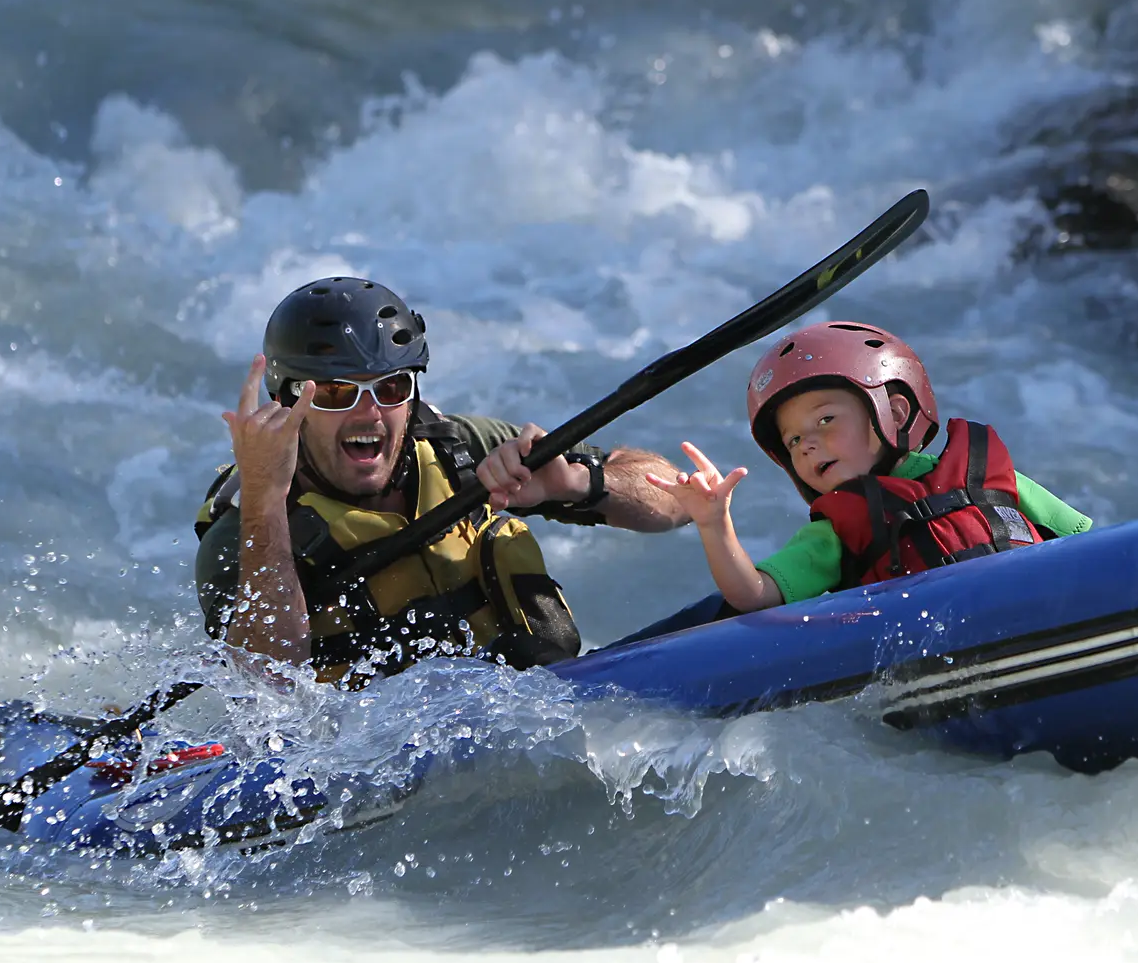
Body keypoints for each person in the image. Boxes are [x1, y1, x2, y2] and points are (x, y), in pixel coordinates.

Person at [194, 276, 688, 688]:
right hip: (376, 771)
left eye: (391, 386)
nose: (370, 412)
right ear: (286, 403)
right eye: (336, 391)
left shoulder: (463, 449)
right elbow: (264, 701)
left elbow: (680, 500)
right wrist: (265, 502)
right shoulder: (243, 534)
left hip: (526, 712)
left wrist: (577, 483)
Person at [646, 321, 1092, 612]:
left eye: (825, 420)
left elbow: (1090, 545)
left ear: (894, 414)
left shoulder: (987, 476)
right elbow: (753, 595)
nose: (808, 445)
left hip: (1045, 611)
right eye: (794, 439)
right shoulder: (836, 530)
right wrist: (713, 523)